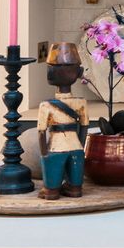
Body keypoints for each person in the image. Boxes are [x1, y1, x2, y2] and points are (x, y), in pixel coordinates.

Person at [37, 42, 88, 200]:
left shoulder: (46, 105)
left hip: (56, 147)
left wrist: (44, 152)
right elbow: (84, 128)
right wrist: (79, 146)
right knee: (75, 184)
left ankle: (51, 191)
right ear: (79, 73)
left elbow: (41, 132)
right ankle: (74, 188)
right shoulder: (81, 102)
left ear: (49, 74)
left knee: (51, 183)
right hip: (76, 147)